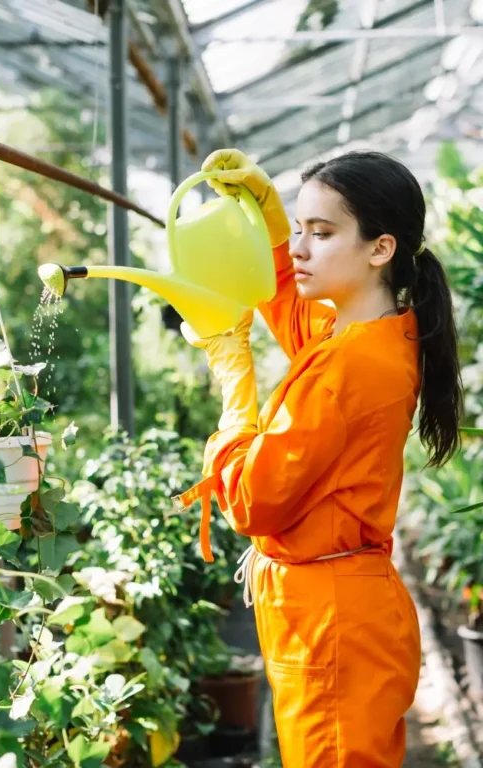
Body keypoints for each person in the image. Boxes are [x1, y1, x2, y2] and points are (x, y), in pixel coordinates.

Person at [174, 149, 464, 767]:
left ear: (380, 249)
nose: (301, 249)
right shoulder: (374, 331)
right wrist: (273, 215)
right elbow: (290, 303)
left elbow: (252, 500)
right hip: (339, 608)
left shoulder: (350, 364)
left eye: (322, 233)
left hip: (330, 620)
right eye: (301, 231)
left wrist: (233, 378)